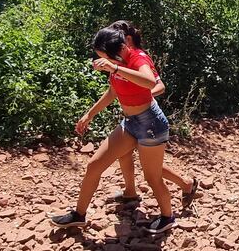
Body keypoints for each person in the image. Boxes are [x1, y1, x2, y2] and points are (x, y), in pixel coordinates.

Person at [50, 27, 176, 233]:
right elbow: (112, 92)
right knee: (94, 165)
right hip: (131, 122)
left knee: (152, 177)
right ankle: (78, 215)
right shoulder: (116, 63)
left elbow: (150, 81)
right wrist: (89, 114)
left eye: (104, 56)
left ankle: (167, 217)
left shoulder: (138, 58)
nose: (103, 61)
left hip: (151, 123)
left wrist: (115, 68)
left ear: (118, 49)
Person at [106, 21, 197, 206]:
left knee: (150, 166)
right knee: (125, 154)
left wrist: (137, 95)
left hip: (146, 117)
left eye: (118, 40)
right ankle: (130, 192)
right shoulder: (121, 60)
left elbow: (159, 85)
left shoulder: (139, 58)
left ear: (128, 39)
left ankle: (185, 184)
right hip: (132, 116)